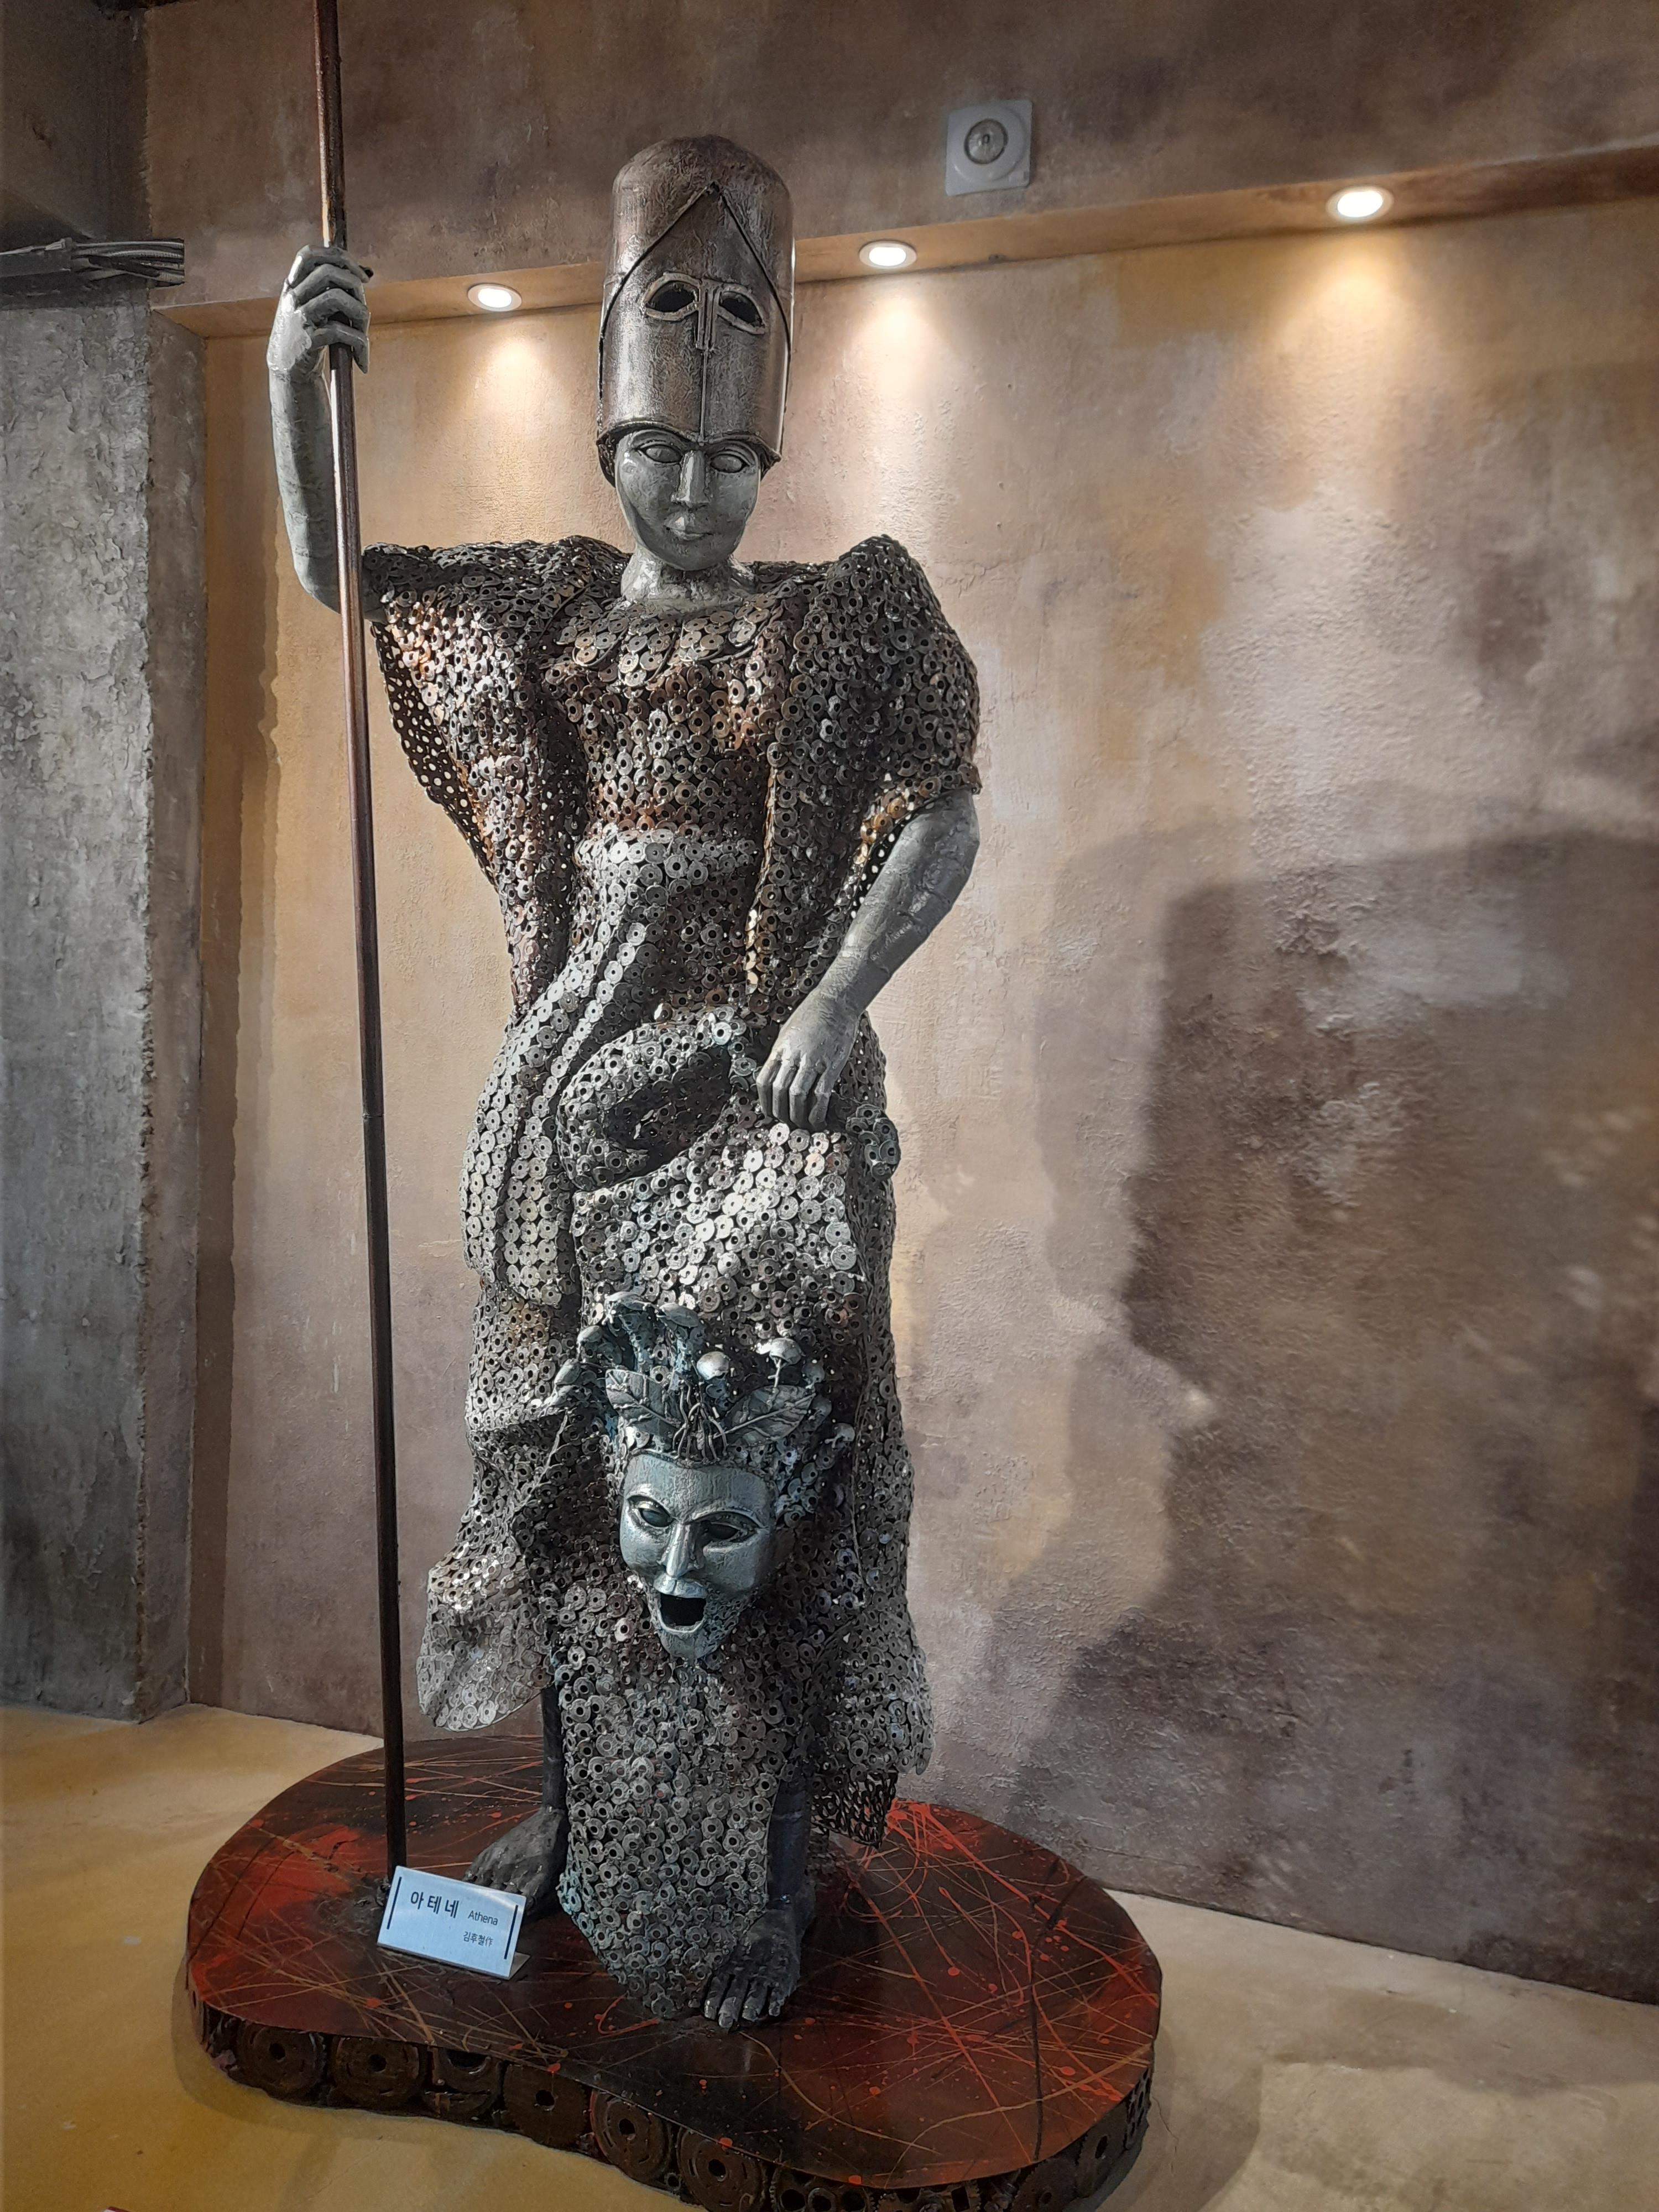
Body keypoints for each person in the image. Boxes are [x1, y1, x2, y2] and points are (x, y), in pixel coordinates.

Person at [267, 135, 979, 2025]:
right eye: (658, 450)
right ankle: (574, 1811)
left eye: (728, 458)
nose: (691, 488)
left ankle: (763, 1871)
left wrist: (830, 1006)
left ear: (769, 459)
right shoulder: (561, 612)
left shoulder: (836, 617)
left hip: (748, 1099)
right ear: (609, 446)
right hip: (567, 1089)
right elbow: (344, 577)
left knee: (754, 1483)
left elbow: (943, 813)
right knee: (569, 1482)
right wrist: (291, 388)